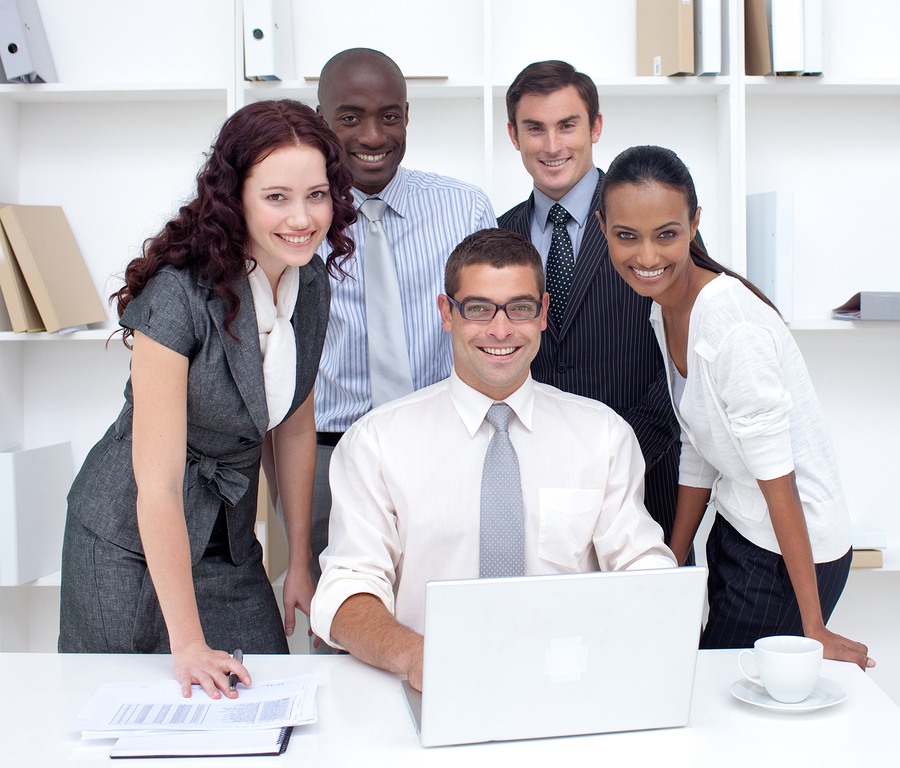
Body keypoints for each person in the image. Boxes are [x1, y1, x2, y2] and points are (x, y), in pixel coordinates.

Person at [57, 100, 357, 698]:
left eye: (317, 195)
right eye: (277, 197)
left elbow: (293, 424)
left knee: (269, 698)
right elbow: (158, 486)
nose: (302, 218)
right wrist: (188, 643)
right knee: (130, 717)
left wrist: (299, 558)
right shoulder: (177, 296)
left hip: (228, 541)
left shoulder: (312, 282)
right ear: (234, 195)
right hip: (129, 543)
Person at [310, 228, 677, 689]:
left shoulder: (602, 435)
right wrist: (418, 656)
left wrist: (660, 610)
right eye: (479, 309)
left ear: (542, 314)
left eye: (520, 308)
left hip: (567, 688)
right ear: (447, 314)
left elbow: (640, 563)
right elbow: (348, 586)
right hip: (428, 685)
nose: (500, 330)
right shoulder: (376, 443)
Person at [596, 144, 873, 670]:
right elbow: (699, 447)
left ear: (695, 223)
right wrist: (674, 565)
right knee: (708, 682)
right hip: (741, 530)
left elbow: (778, 477)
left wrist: (813, 629)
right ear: (602, 227)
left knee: (719, 697)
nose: (648, 257)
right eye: (627, 236)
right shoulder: (666, 312)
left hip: (791, 550)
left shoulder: (729, 324)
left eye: (667, 234)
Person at [310, 47, 496, 584]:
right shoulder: (295, 217)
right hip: (328, 452)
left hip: (445, 444)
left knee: (449, 607)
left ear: (407, 116)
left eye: (389, 116)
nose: (372, 136)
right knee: (344, 616)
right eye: (350, 117)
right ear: (322, 121)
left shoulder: (464, 209)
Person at [498, 61, 682, 553]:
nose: (552, 146)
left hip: (643, 474)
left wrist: (619, 459)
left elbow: (683, 364)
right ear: (514, 135)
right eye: (535, 128)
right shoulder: (501, 235)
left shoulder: (647, 215)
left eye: (567, 125)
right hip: (533, 482)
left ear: (595, 126)